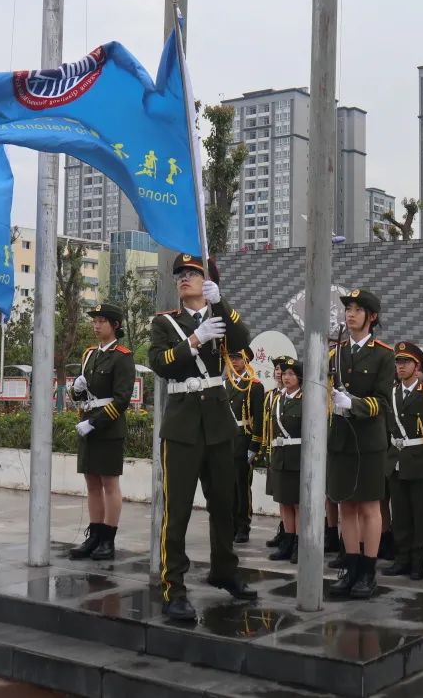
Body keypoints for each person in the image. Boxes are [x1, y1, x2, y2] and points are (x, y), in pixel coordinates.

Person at [148, 254, 257, 622]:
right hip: (182, 425)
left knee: (223, 505)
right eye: (181, 274)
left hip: (217, 423)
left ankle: (224, 570)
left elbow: (244, 343)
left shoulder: (218, 316)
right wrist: (194, 339)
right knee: (176, 511)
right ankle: (173, 587)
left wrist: (222, 303)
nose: (184, 278)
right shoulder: (165, 323)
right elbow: (161, 364)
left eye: (193, 273)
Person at [327, 288, 394, 601]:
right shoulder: (336, 353)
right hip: (341, 439)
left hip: (368, 442)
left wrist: (353, 403)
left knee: (369, 507)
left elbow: (382, 401)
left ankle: (368, 571)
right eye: (348, 309)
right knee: (346, 507)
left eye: (357, 309)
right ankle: (350, 568)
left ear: (372, 317)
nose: (350, 314)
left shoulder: (384, 354)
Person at [67, 302, 135, 562]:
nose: (96, 326)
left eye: (101, 321)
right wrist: (76, 388)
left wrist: (93, 422)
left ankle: (108, 539)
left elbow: (121, 400)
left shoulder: (123, 356)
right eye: (94, 321)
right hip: (87, 423)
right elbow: (79, 395)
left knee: (109, 483)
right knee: (91, 482)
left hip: (107, 426)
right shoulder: (89, 355)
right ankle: (94, 535)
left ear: (114, 325)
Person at [383, 342, 423, 581]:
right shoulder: (391, 392)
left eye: (406, 362)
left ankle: (418, 561)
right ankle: (402, 558)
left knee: (419, 514)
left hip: (418, 461)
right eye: (398, 362)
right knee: (400, 514)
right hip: (396, 461)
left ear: (417, 366)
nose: (401, 367)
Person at [265, 358, 304, 563]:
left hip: (298, 457)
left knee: (298, 503)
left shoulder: (305, 399)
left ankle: (299, 543)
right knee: (284, 502)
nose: (286, 377)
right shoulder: (277, 398)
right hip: (280, 456)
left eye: (291, 374)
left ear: (299, 377)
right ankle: (287, 542)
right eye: (285, 374)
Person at [227, 347, 265, 544]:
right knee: (229, 486)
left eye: (238, 358)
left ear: (247, 361)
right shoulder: (226, 384)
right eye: (231, 357)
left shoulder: (254, 386)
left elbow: (259, 419)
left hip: (243, 440)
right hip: (228, 441)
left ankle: (243, 526)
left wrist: (254, 445)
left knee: (242, 486)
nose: (234, 361)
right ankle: (231, 524)